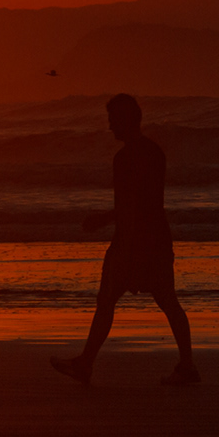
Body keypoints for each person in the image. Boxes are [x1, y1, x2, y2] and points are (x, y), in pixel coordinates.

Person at [50, 94, 200, 386]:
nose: (110, 127)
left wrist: (124, 245)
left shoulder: (124, 159)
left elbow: (129, 206)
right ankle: (187, 365)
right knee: (168, 300)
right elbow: (146, 202)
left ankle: (85, 364)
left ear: (126, 119)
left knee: (106, 300)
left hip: (133, 241)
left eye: (112, 120)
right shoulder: (155, 152)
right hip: (158, 238)